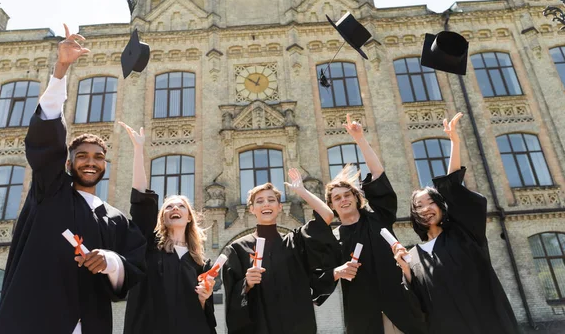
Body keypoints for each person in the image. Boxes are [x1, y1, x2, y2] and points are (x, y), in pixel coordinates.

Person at [0, 25, 147, 334]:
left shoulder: (114, 219)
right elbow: (48, 137)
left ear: (105, 164)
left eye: (98, 157)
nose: (90, 162)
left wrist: (110, 261)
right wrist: (61, 69)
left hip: (88, 324)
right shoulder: (50, 191)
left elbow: (134, 266)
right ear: (68, 162)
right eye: (82, 156)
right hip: (34, 319)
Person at [392, 113, 520, 334]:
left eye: (432, 202)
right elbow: (418, 306)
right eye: (419, 206)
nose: (427, 208)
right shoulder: (413, 256)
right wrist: (406, 270)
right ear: (414, 215)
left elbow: (453, 189)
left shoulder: (465, 234)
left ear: (442, 207)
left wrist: (455, 142)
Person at [324, 114, 427, 334]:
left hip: (401, 308)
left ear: (356, 196)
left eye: (347, 194)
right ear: (331, 206)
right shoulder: (333, 239)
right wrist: (338, 271)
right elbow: (321, 277)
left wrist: (360, 139)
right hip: (363, 317)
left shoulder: (377, 217)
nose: (343, 200)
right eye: (337, 198)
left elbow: (379, 175)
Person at [120, 122, 217, 334]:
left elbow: (203, 313)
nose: (175, 208)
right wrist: (138, 150)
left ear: (189, 217)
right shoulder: (148, 246)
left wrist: (204, 297)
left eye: (181, 206)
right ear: (162, 217)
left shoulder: (200, 262)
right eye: (169, 206)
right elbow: (140, 198)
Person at [222, 169, 339, 334]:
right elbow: (231, 298)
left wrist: (301, 191)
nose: (266, 204)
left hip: (295, 325)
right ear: (251, 209)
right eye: (260, 201)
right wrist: (246, 284)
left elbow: (327, 215)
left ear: (279, 207)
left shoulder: (295, 241)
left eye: (271, 200)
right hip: (259, 326)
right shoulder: (237, 249)